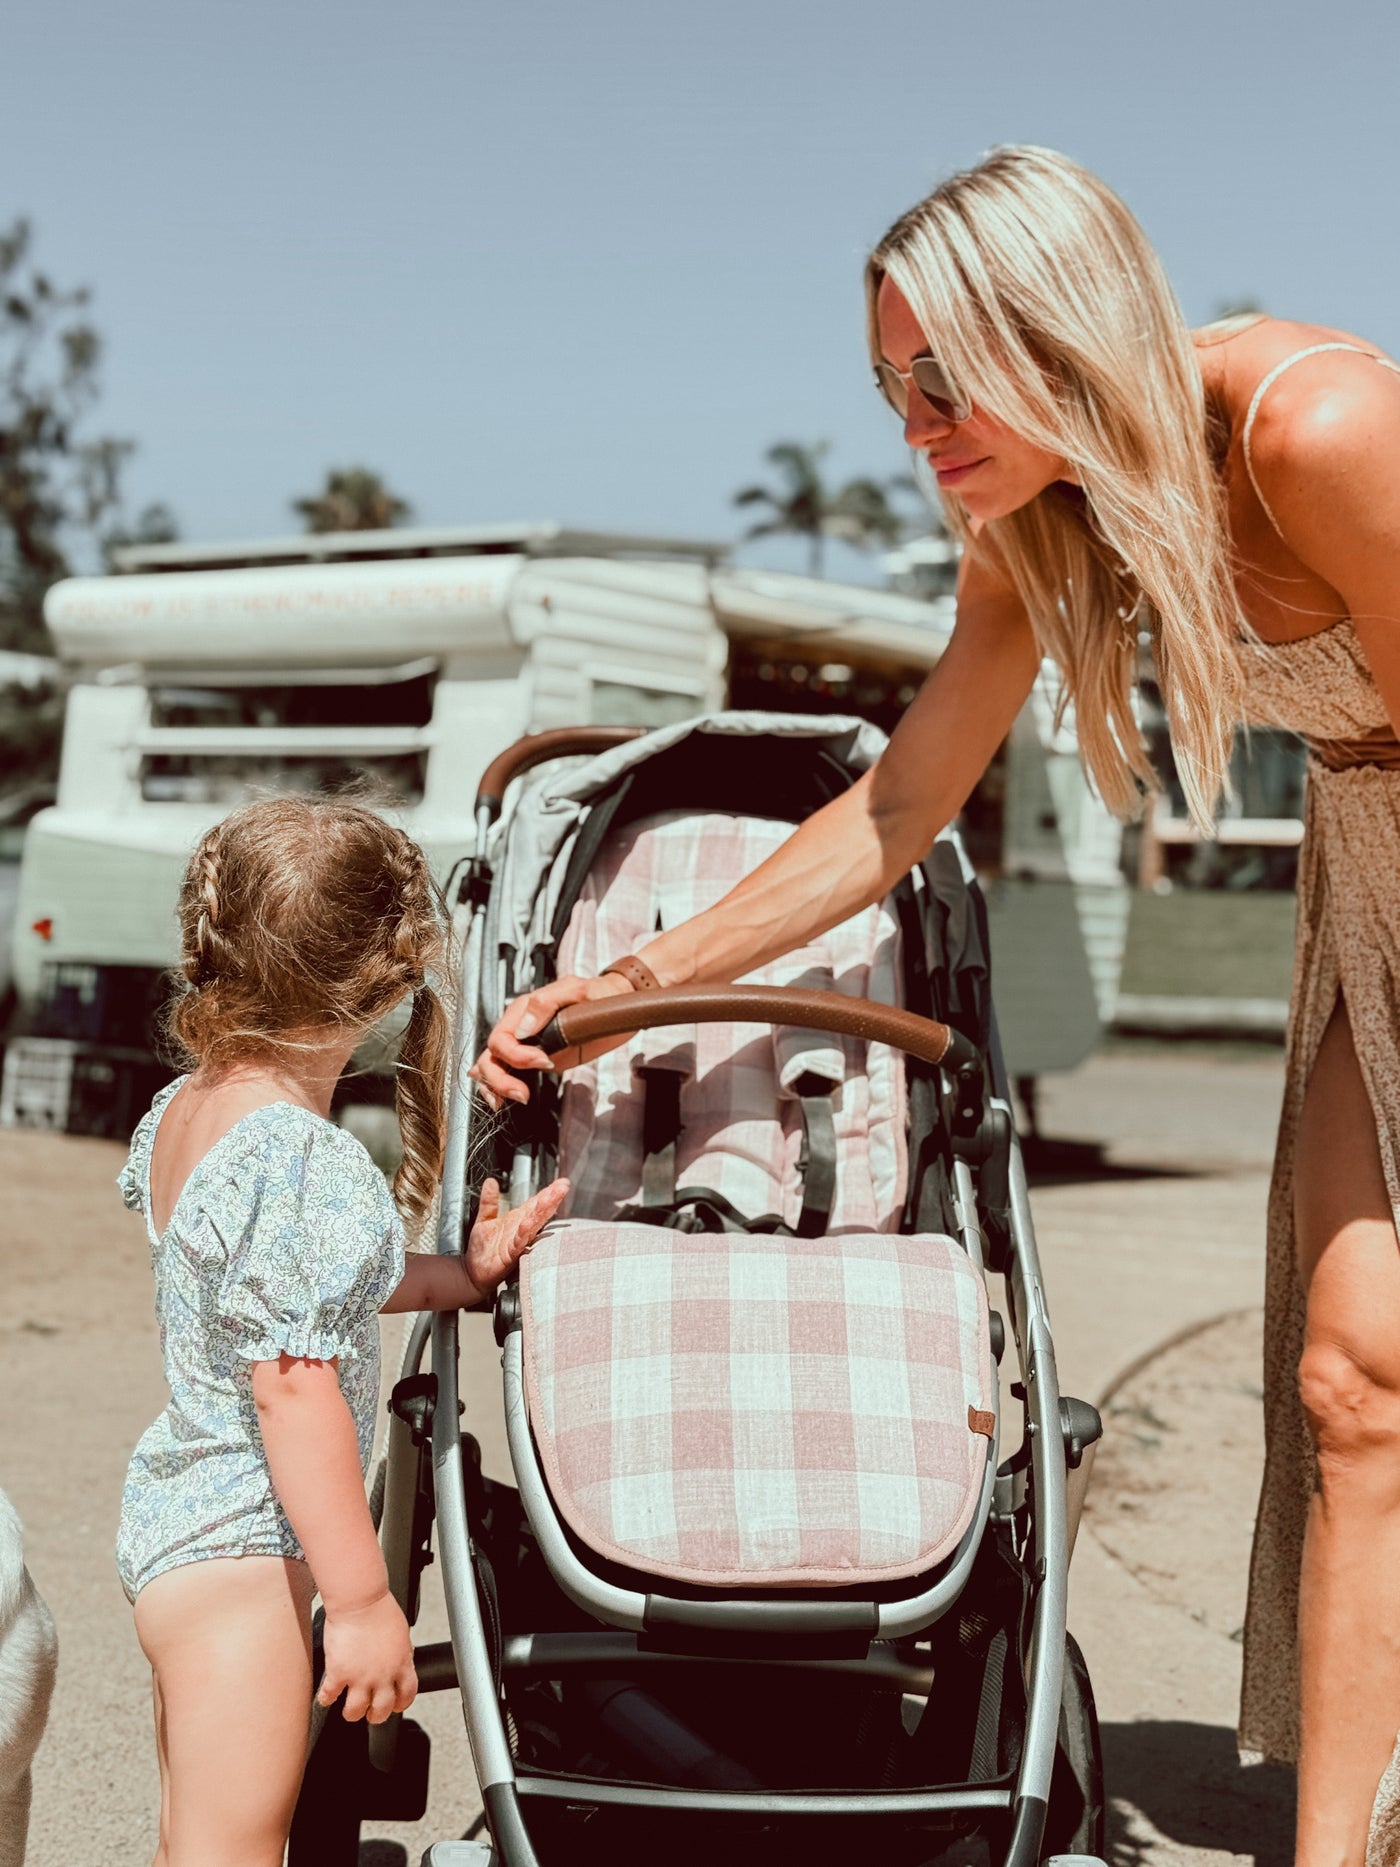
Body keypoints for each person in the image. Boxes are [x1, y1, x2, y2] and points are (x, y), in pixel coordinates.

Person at [476, 145, 1400, 1864]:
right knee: (1356, 1382)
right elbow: (895, 811)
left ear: (1061, 330)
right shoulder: (1030, 518)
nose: (920, 426)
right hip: (1371, 859)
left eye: (946, 374)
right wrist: (617, 985)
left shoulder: (1313, 430)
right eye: (891, 386)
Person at [118, 796, 567, 1867]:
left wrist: (458, 1274)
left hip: (181, 1523)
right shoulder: (300, 1156)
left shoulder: (193, 1106)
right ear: (389, 970)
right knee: (235, 1851)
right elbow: (291, 1377)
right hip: (246, 1553)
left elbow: (288, 1291)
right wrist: (364, 1601)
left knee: (197, 1838)